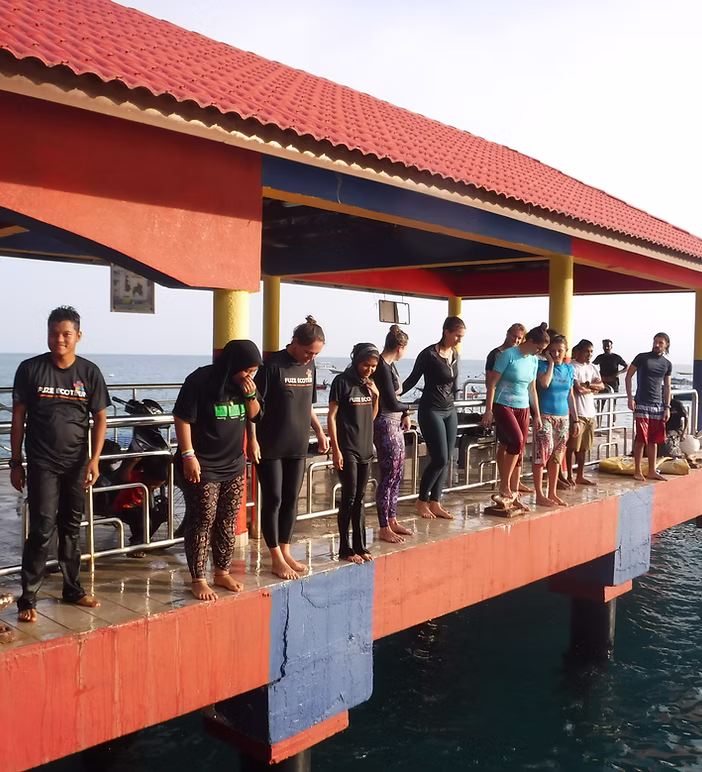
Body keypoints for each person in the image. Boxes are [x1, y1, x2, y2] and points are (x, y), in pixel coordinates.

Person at [10, 306, 109, 622]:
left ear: (78, 336)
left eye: (66, 334)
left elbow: (101, 418)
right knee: (41, 528)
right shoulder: (30, 369)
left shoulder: (89, 372)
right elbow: (18, 418)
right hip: (42, 463)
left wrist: (95, 460)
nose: (60, 339)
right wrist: (16, 461)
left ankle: (73, 589)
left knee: (70, 527)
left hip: (76, 464)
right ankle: (28, 597)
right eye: (54, 333)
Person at [173, 339, 262, 601]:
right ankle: (198, 578)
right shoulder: (200, 380)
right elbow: (182, 417)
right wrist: (188, 455)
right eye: (246, 370)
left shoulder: (246, 386)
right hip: (203, 463)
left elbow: (255, 415)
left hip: (233, 463)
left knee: (227, 519)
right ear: (232, 364)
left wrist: (250, 395)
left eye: (253, 371)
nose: (249, 376)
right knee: (203, 519)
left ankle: (222, 571)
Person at [249, 316, 330, 580]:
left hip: (298, 443)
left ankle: (285, 551)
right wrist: (252, 439)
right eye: (308, 352)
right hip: (271, 444)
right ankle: (274, 557)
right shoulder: (272, 365)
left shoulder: (310, 366)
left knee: (291, 499)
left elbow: (307, 405)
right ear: (295, 342)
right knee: (273, 499)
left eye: (315, 354)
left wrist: (320, 432)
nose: (310, 358)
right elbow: (253, 408)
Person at [401, 316, 465, 519]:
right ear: (447, 332)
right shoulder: (429, 354)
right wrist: (393, 395)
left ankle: (436, 502)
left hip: (449, 410)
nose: (460, 340)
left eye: (462, 337)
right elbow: (412, 379)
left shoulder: (454, 354)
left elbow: (454, 384)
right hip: (431, 410)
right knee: (439, 458)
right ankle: (421, 500)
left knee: (448, 458)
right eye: (457, 335)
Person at [481, 323, 550, 508]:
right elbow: (492, 384)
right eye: (538, 348)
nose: (539, 352)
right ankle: (504, 485)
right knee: (516, 441)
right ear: (530, 341)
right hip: (503, 403)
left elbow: (532, 389)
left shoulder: (534, 361)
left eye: (542, 350)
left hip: (523, 406)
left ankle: (514, 495)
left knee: (519, 450)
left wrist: (537, 415)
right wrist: (488, 410)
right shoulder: (508, 355)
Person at [328, 343, 380, 562]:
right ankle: (344, 548)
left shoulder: (369, 384)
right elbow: (331, 417)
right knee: (348, 498)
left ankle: (360, 546)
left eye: (373, 366)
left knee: (360, 498)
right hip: (347, 447)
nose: (369, 370)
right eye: (366, 365)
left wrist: (376, 396)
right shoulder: (342, 382)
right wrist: (336, 449)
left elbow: (371, 417)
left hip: (365, 447)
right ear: (356, 361)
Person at [372, 325, 413, 543]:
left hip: (396, 422)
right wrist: (410, 406)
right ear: (400, 347)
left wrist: (405, 412)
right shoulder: (381, 367)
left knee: (397, 474)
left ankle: (392, 518)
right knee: (388, 475)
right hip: (385, 423)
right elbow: (390, 401)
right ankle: (383, 525)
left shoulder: (390, 366)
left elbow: (397, 400)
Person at [533, 335, 579, 507]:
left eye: (560, 351)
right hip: (545, 416)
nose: (557, 354)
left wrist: (575, 419)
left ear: (566, 351)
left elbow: (570, 395)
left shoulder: (569, 369)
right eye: (553, 351)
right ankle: (539, 494)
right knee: (541, 456)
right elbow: (544, 384)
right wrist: (551, 363)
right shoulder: (542, 366)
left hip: (563, 418)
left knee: (557, 457)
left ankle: (552, 492)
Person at [485, 323, 530, 494]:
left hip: (518, 404)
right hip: (501, 402)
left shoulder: (521, 356)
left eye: (519, 338)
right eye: (514, 336)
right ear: (507, 334)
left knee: (517, 444)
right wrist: (489, 408)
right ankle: (505, 480)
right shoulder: (496, 354)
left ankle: (514, 481)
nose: (516, 340)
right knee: (505, 444)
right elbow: (490, 381)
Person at [625, 333, 673, 482]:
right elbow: (628, 376)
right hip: (642, 402)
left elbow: (667, 387)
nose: (656, 345)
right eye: (655, 342)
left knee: (653, 439)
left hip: (658, 405)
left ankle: (652, 470)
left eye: (660, 343)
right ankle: (637, 470)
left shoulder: (667, 364)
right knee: (641, 438)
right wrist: (630, 398)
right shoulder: (642, 358)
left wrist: (667, 407)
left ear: (666, 345)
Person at [112, 456, 169, 557]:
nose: (155, 487)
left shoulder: (151, 481)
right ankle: (134, 547)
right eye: (153, 484)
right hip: (126, 506)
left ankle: (143, 541)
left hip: (141, 507)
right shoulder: (136, 477)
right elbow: (124, 477)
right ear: (146, 476)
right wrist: (132, 462)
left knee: (161, 514)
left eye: (158, 486)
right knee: (142, 521)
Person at [566, 339, 605, 486]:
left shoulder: (593, 367)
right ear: (579, 351)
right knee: (572, 446)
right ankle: (569, 474)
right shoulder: (572, 367)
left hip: (590, 412)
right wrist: (592, 389)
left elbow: (601, 386)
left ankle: (580, 475)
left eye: (591, 352)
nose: (589, 354)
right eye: (586, 351)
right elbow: (578, 389)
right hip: (578, 412)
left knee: (584, 447)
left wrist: (588, 385)